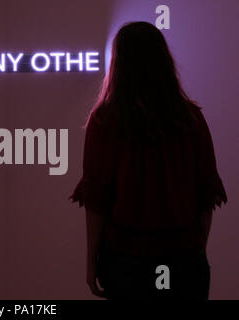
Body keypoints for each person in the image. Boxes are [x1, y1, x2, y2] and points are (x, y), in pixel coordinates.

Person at [69, 21, 227, 300]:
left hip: (126, 261)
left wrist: (90, 260)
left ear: (119, 64)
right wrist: (196, 248)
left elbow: (97, 199)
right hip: (184, 259)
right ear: (164, 61)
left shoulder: (106, 119)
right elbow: (206, 192)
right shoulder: (190, 119)